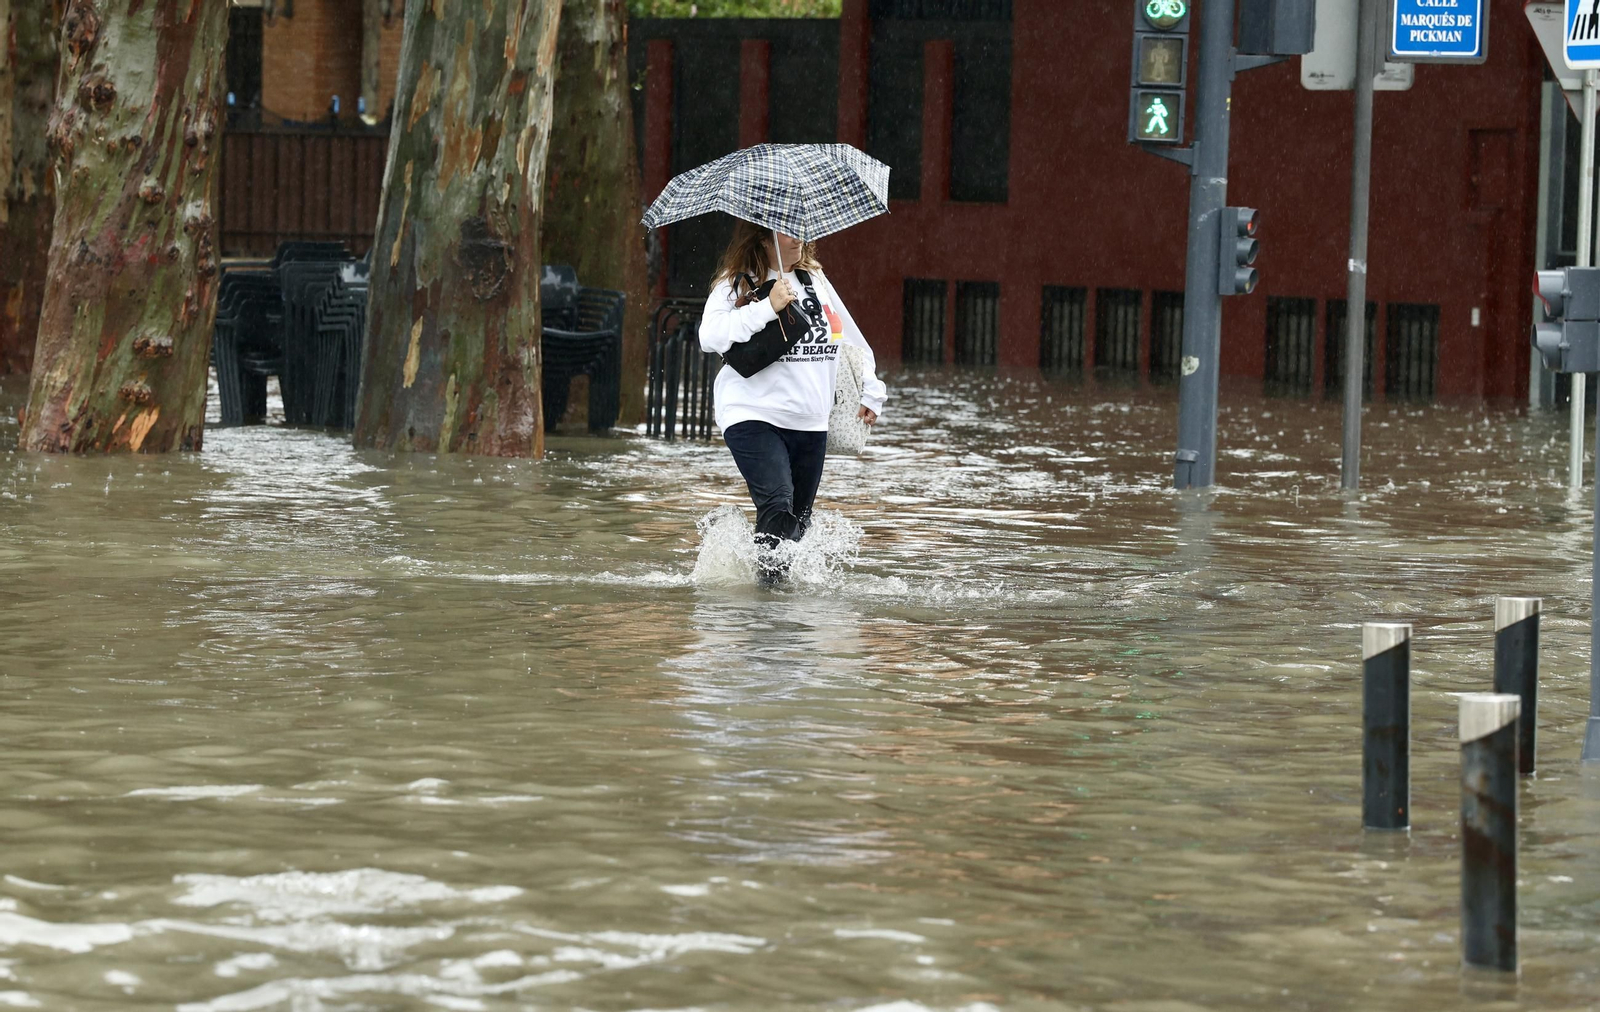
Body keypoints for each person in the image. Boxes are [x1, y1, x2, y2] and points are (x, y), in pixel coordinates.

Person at [698, 219, 887, 585]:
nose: (798, 236)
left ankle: (769, 592)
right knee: (778, 505)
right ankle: (768, 610)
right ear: (763, 236)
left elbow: (848, 339)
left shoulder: (814, 280)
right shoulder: (736, 281)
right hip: (752, 413)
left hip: (810, 420)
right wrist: (766, 307)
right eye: (786, 229)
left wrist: (872, 390)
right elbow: (711, 336)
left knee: (798, 522)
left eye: (801, 227)